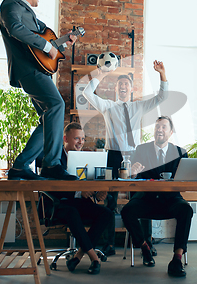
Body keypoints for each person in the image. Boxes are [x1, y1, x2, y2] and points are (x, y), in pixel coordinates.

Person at [0, 0, 78, 181]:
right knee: (57, 105)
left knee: (48, 119)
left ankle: (20, 166)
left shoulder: (29, 14)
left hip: (35, 69)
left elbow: (47, 41)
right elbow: (15, 28)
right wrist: (46, 46)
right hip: (28, 70)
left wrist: (62, 42)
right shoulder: (10, 5)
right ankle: (51, 165)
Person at [83, 61, 168, 255]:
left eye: (126, 84)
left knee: (142, 198)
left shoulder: (139, 106)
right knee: (110, 201)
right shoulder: (107, 106)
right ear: (115, 88)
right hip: (113, 156)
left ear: (131, 89)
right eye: (119, 84)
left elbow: (162, 96)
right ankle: (110, 244)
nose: (123, 87)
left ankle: (147, 241)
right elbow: (87, 94)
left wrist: (162, 74)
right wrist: (102, 73)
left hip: (136, 156)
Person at [120, 116, 192, 277]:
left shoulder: (180, 152)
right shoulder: (141, 150)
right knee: (127, 211)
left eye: (163, 127)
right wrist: (133, 173)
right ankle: (145, 247)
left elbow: (185, 182)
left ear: (171, 132)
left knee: (186, 210)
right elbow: (131, 178)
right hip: (146, 198)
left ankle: (177, 258)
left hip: (171, 199)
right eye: (157, 127)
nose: (159, 130)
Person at [40, 122, 114, 274]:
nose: (81, 142)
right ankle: (94, 258)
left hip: (80, 203)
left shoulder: (85, 157)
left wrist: (97, 192)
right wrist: (78, 192)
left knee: (106, 213)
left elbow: (88, 182)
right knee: (71, 211)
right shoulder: (53, 159)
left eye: (83, 139)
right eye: (76, 139)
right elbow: (52, 187)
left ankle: (78, 256)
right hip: (58, 205)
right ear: (65, 138)